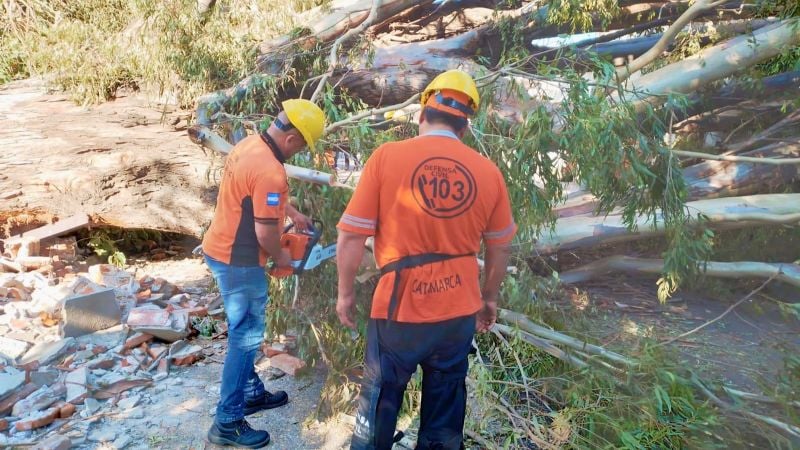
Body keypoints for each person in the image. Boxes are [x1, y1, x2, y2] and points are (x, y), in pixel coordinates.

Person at [336, 70, 516, 450]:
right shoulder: (489, 172)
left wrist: (345, 294)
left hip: (399, 311)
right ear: (464, 128)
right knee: (444, 416)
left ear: (421, 116)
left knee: (380, 402)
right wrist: (490, 299)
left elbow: (352, 234)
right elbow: (500, 247)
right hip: (458, 312)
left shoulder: (387, 157)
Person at [201, 99, 325, 448]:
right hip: (239, 262)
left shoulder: (249, 145)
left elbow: (259, 192)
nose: (299, 152)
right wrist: (283, 258)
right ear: (293, 139)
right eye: (302, 145)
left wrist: (294, 213)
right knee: (247, 337)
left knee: (244, 331)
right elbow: (266, 234)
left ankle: (251, 392)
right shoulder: (272, 170)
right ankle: (227, 422)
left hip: (219, 248)